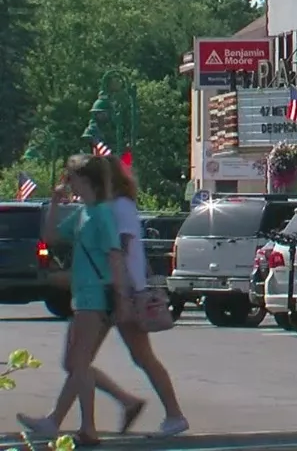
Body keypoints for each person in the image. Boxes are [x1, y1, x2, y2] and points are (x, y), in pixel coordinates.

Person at [17, 156, 135, 447]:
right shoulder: (85, 212)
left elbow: (115, 256)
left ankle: (88, 427)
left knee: (77, 363)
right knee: (75, 363)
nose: (70, 184)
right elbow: (50, 236)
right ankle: (117, 404)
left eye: (72, 179)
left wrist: (121, 299)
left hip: (95, 296)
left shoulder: (103, 214)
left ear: (87, 181)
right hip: (82, 295)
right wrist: (56, 203)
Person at [105, 156, 189, 438]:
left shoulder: (121, 206)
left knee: (142, 356)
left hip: (125, 289)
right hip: (117, 288)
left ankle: (173, 413)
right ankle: (168, 412)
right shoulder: (113, 206)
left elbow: (124, 246)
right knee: (137, 356)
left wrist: (128, 291)